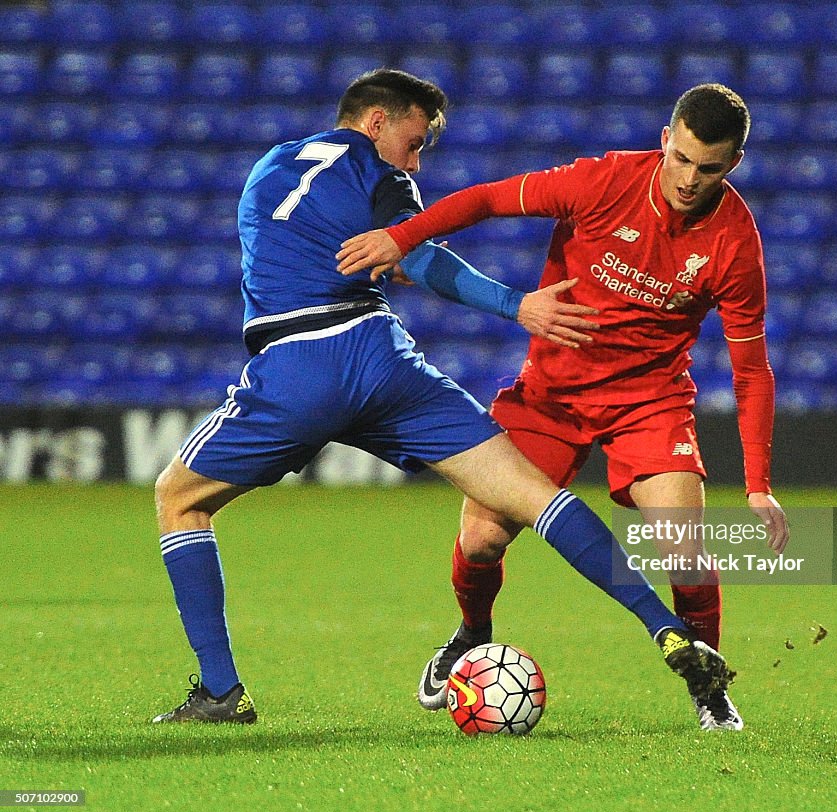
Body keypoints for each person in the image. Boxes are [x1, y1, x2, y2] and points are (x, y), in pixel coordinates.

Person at [152, 69, 734, 724]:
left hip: (297, 362)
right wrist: (513, 304)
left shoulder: (270, 166)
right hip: (381, 358)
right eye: (414, 140)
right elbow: (420, 255)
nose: (415, 158)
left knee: (179, 498)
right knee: (536, 495)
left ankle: (222, 691)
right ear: (376, 123)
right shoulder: (380, 176)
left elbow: (304, 250)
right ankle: (664, 626)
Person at [336, 83, 790, 731]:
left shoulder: (735, 242)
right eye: (681, 158)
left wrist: (757, 486)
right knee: (483, 537)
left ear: (733, 164)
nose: (689, 179)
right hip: (552, 392)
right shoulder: (603, 181)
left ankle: (707, 680)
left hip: (649, 399)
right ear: (666, 139)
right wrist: (400, 237)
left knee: (686, 550)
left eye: (708, 167)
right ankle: (472, 632)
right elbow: (489, 198)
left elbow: (752, 368)